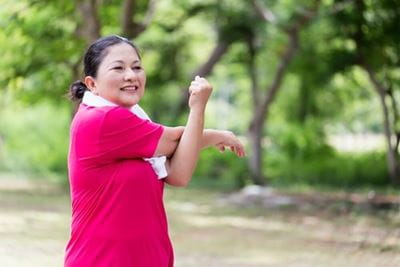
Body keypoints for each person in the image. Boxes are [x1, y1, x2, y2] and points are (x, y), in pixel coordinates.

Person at [65, 35, 245, 267]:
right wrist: (213, 133)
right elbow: (175, 140)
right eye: (118, 68)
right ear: (92, 84)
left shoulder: (134, 120)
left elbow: (178, 173)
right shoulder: (101, 119)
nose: (131, 75)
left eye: (137, 67)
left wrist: (198, 110)